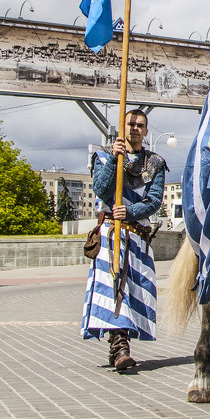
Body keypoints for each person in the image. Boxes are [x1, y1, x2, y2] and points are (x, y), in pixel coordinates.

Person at [80, 108, 166, 371]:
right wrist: (116, 158)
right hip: (111, 234)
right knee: (115, 288)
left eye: (140, 125)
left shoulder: (155, 163)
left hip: (138, 237)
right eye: (130, 124)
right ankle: (119, 347)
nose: (135, 129)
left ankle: (120, 344)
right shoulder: (105, 156)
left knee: (134, 290)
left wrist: (130, 211)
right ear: (122, 127)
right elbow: (101, 189)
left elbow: (153, 201)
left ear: (146, 131)